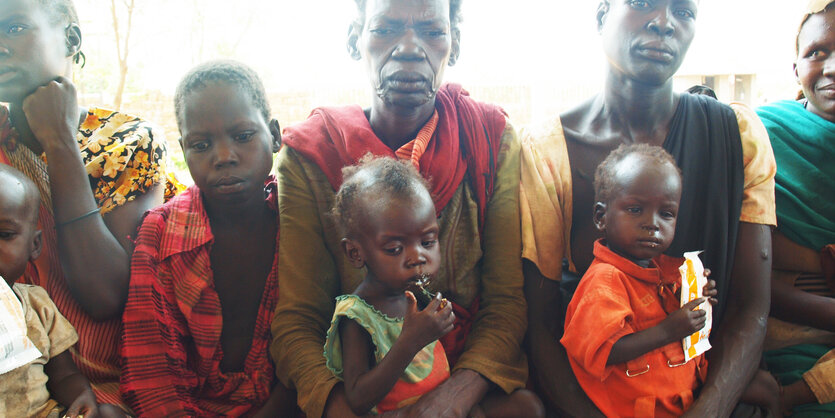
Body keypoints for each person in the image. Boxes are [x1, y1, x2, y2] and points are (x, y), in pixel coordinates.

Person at [271, 0, 542, 416]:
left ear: (455, 44)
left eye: (433, 32)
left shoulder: (490, 138)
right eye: (387, 29)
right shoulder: (311, 155)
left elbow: (504, 303)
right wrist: (340, 407)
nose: (411, 48)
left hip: (460, 380)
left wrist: (449, 400)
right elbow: (298, 319)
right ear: (354, 39)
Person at [519, 0, 778, 415]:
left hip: (708, 386)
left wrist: (707, 410)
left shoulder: (735, 136)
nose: (663, 23)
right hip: (607, 399)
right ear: (602, 16)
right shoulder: (550, 152)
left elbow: (751, 307)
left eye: (683, 11)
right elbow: (542, 325)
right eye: (643, 4)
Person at [0, 0, 177, 407]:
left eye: (13, 29)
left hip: (100, 390)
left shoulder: (127, 142)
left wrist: (60, 140)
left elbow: (104, 297)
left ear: (71, 39)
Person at [119, 61, 294, 417]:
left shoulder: (298, 222)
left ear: (274, 135)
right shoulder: (161, 234)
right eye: (201, 144)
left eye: (243, 136)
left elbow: (317, 344)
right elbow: (151, 373)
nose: (224, 157)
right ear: (184, 148)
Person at [562, 144, 777, 417]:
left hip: (686, 389)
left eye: (666, 214)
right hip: (645, 407)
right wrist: (668, 330)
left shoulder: (664, 270)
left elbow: (682, 319)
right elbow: (606, 350)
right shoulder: (605, 281)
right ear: (601, 217)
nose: (652, 223)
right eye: (635, 209)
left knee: (764, 385)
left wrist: (698, 298)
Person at [756, 1, 835, 415]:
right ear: (796, 69)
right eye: (817, 52)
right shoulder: (762, 134)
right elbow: (749, 269)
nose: (831, 67)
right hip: (786, 338)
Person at [0, 165, 122, 417]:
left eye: (4, 234)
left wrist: (80, 396)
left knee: (110, 414)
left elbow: (63, 374)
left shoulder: (37, 306)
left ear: (34, 246)